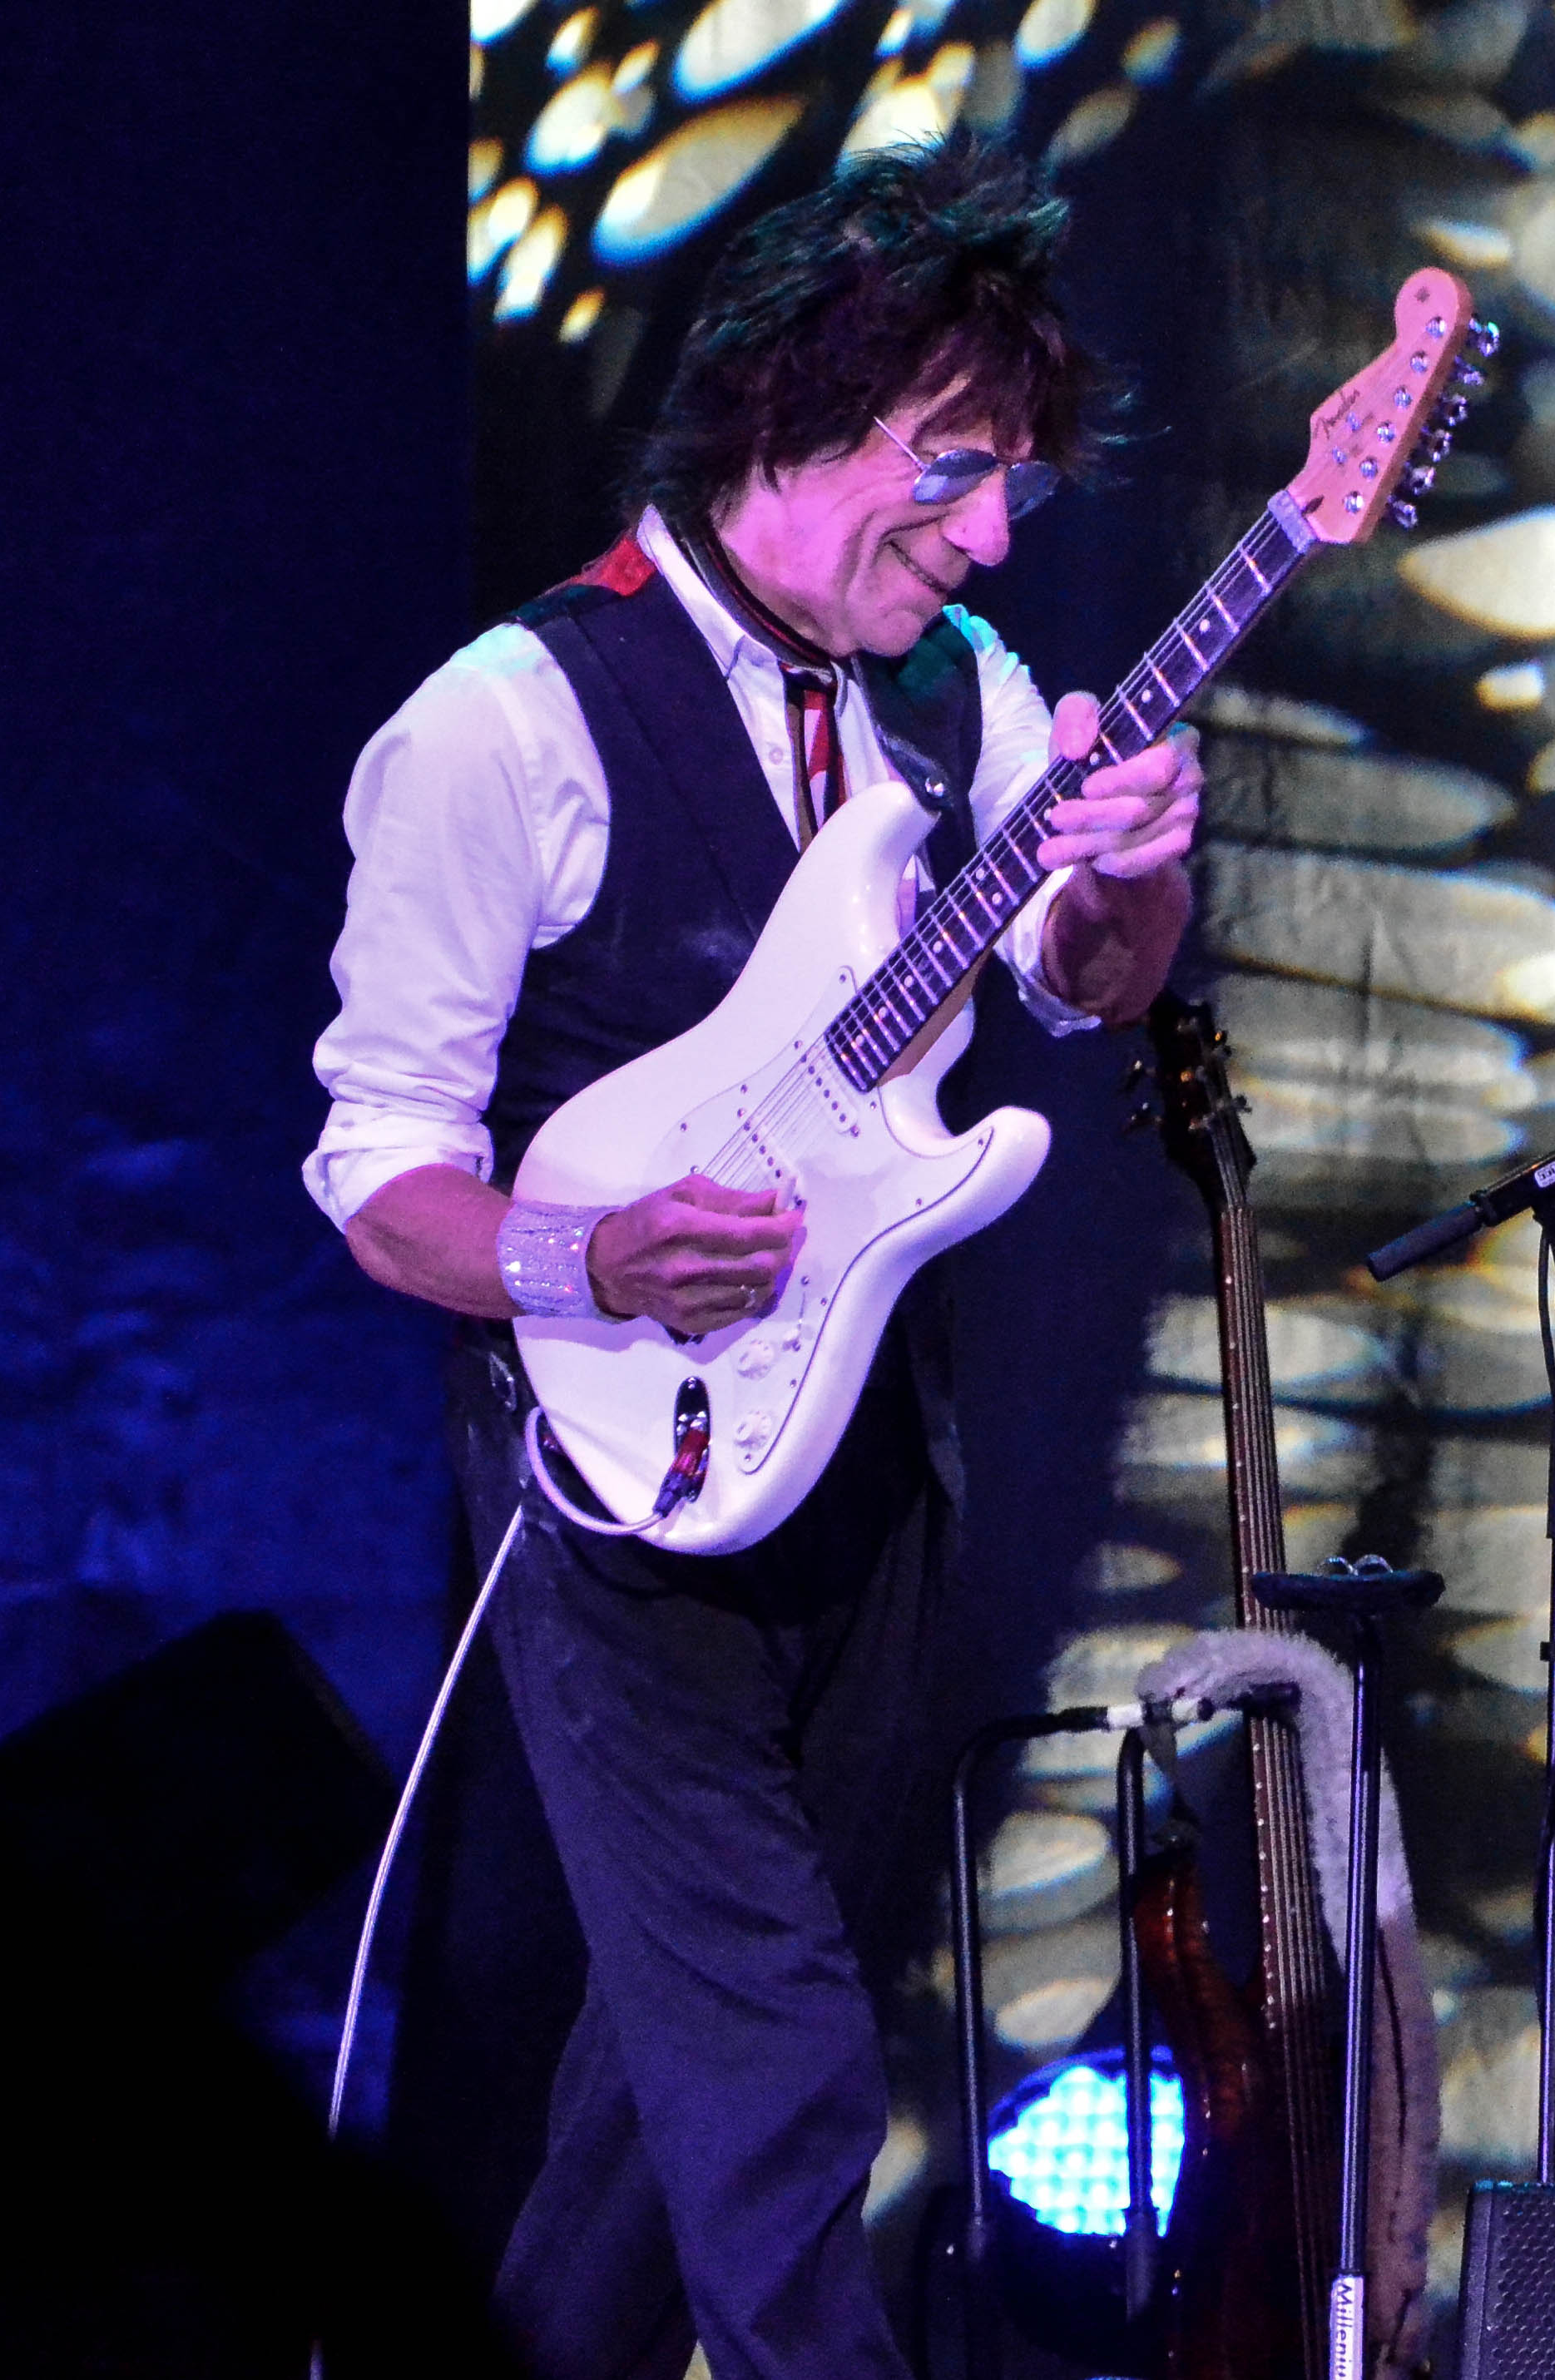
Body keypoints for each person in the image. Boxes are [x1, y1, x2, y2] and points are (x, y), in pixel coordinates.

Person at [304, 139, 1201, 2380]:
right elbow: (380, 1169)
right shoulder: (502, 726)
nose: (993, 537)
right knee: (782, 2057)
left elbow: (1088, 982)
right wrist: (589, 1255)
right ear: (795, 415)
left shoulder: (961, 691)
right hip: (617, 1498)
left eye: (1014, 485)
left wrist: (1133, 866)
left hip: (869, 1454)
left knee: (681, 2077)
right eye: (957, 470)